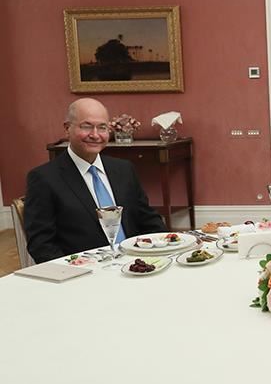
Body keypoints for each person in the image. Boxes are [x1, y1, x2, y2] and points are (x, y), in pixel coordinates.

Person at [24, 98, 166, 263]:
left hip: (136, 264)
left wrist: (167, 249)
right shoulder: (44, 178)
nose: (95, 135)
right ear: (67, 128)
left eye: (102, 127)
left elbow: (148, 219)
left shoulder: (124, 169)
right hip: (84, 270)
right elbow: (41, 245)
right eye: (86, 126)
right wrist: (73, 269)